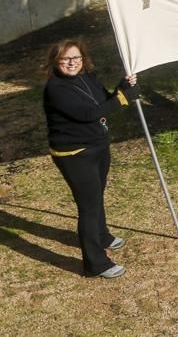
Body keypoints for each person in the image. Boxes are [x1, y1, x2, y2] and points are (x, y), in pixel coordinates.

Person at [43, 39, 140, 279]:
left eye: (76, 58)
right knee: (88, 207)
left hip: (97, 147)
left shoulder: (89, 77)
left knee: (96, 196)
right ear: (56, 62)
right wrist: (122, 100)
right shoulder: (55, 89)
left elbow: (104, 100)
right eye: (66, 59)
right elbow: (88, 113)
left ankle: (102, 235)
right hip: (74, 154)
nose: (72, 63)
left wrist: (122, 87)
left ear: (83, 59)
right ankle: (95, 264)